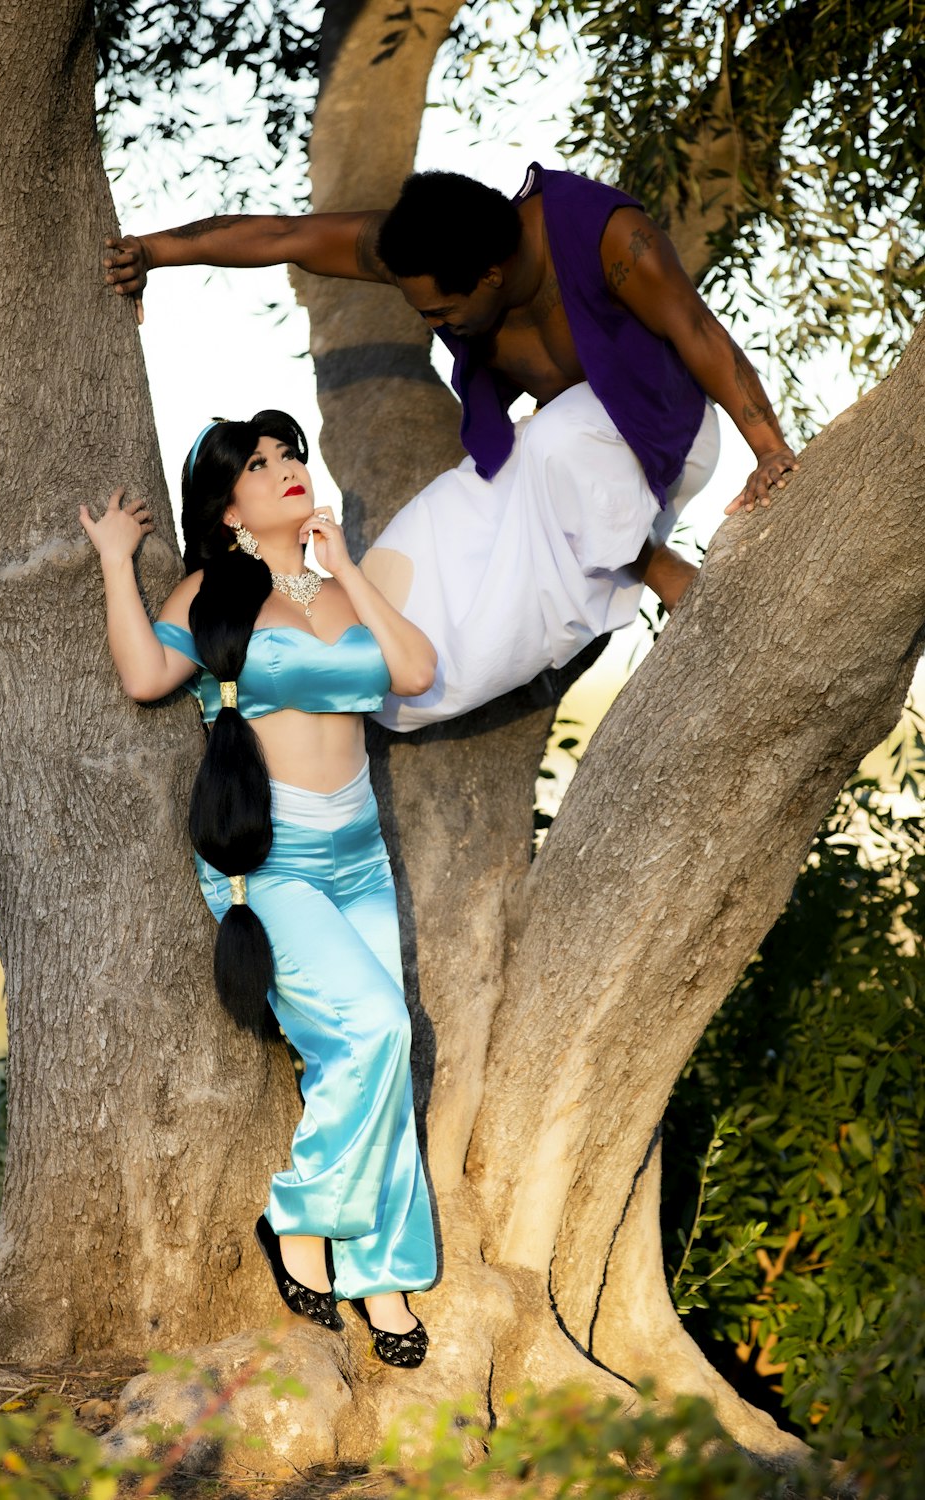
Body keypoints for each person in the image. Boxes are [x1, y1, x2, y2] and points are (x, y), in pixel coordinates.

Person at [103, 166, 799, 729]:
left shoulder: (606, 236)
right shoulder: (432, 244)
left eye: (439, 313)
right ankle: (402, 690)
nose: (432, 323)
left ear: (493, 275)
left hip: (658, 437)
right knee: (426, 534)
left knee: (555, 440)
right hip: (554, 456)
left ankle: (660, 571)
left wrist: (768, 448)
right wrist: (157, 251)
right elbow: (288, 235)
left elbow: (697, 329)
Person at [79, 409, 438, 1366]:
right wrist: (119, 558)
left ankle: (387, 1278)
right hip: (267, 860)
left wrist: (346, 560)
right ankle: (299, 1218)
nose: (285, 470)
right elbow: (148, 675)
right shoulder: (215, 591)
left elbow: (415, 670)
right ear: (229, 503)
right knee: (379, 1029)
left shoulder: (341, 586)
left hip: (361, 857)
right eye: (260, 464)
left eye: (291, 455)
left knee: (369, 1058)